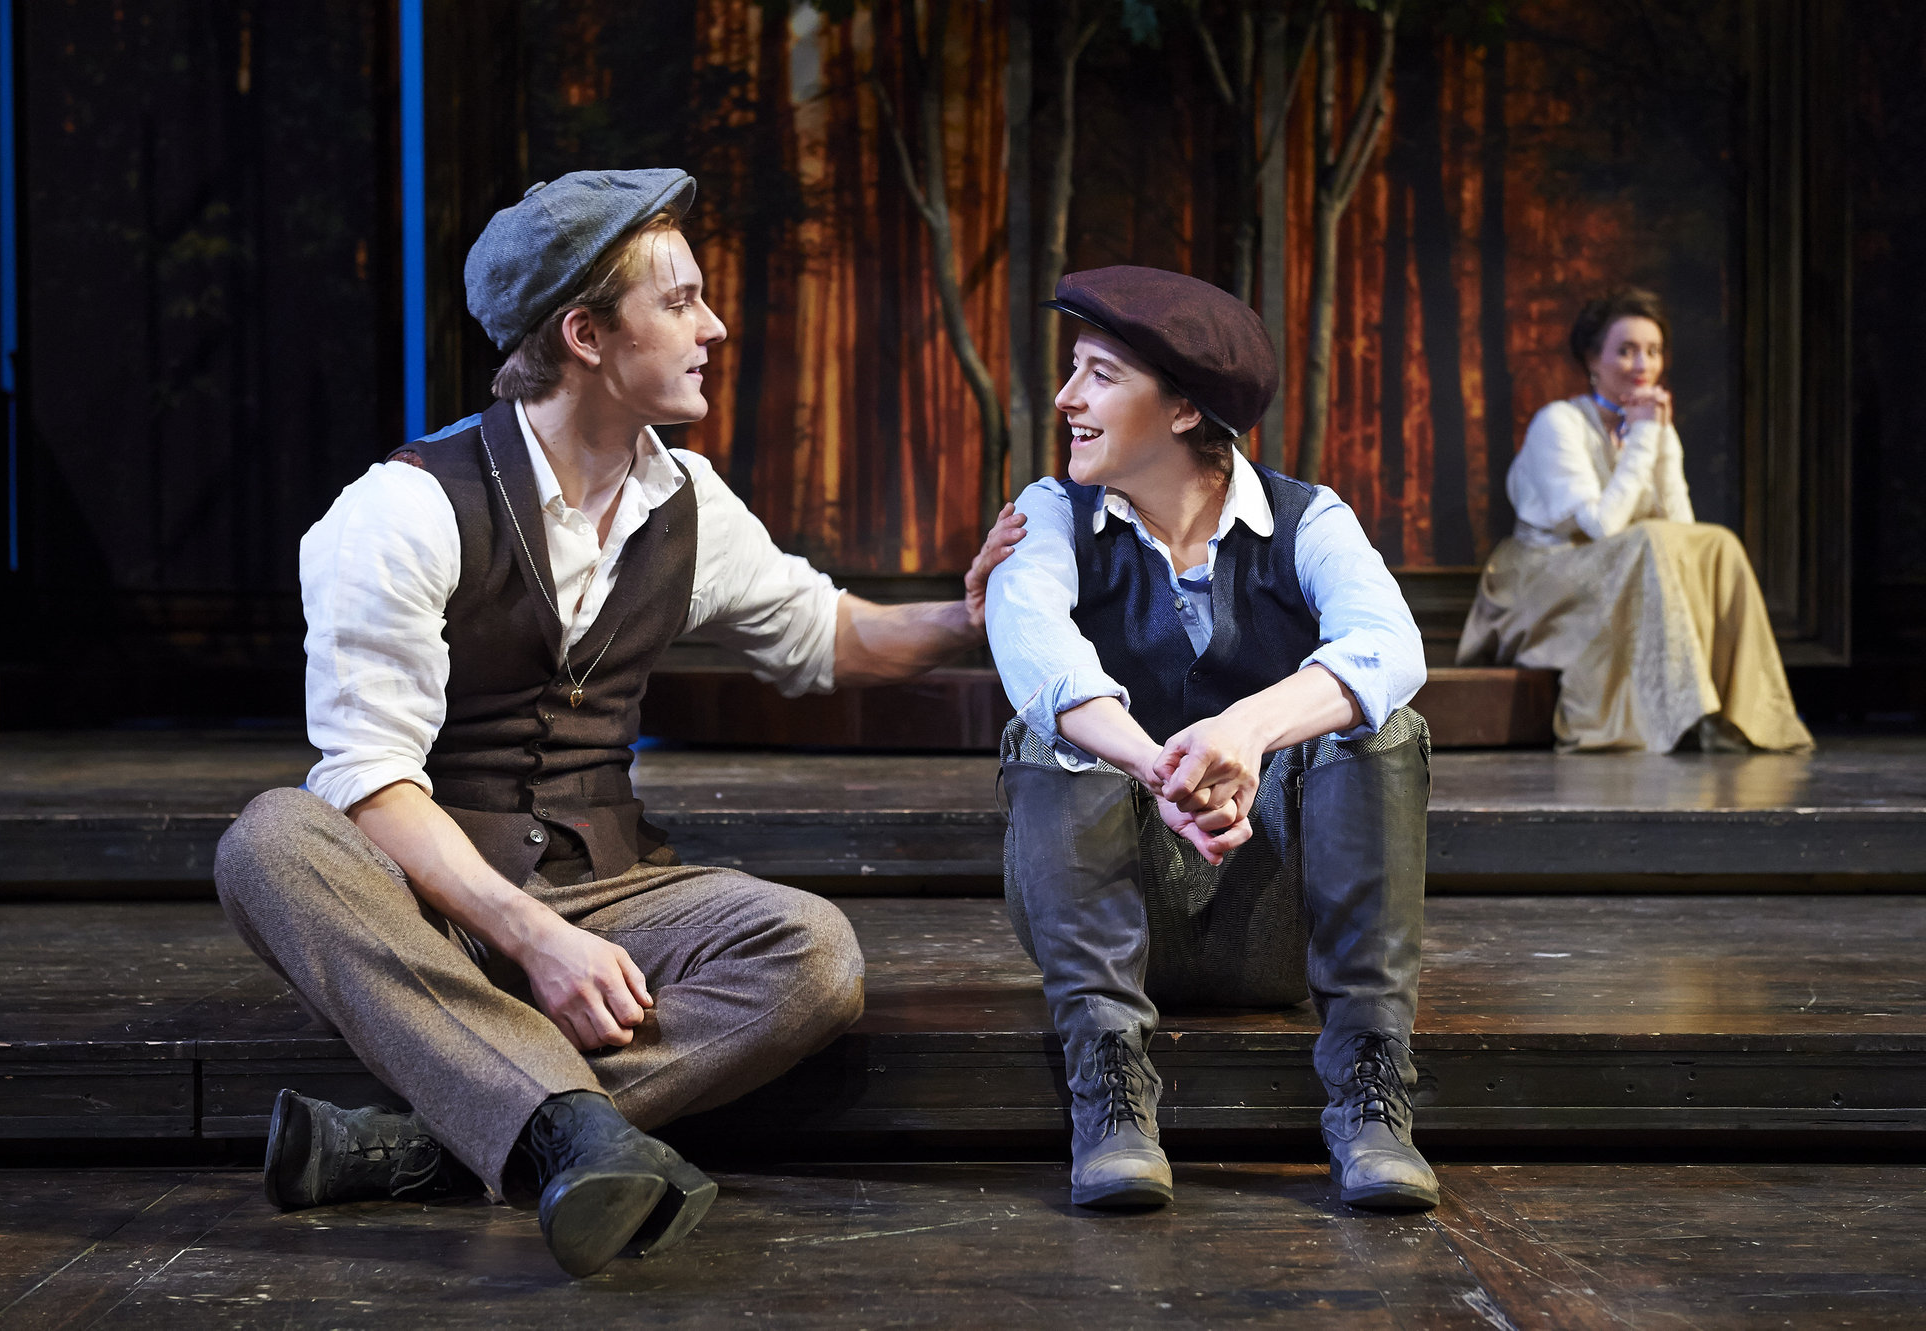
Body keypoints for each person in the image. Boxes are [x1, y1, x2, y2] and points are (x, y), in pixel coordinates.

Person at [213, 169, 1024, 1278]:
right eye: (680, 301)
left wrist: (968, 615)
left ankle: (462, 1138)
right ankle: (556, 1125)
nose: (713, 326)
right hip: (432, 906)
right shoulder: (402, 509)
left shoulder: (685, 500)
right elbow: (370, 777)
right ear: (586, 335)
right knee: (274, 838)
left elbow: (828, 635)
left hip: (610, 889)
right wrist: (534, 938)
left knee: (812, 952)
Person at [985, 266, 1437, 1214]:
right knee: (1053, 729)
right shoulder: (1052, 513)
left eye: (1101, 374)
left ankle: (1370, 1086)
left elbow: (1391, 645)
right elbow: (1037, 654)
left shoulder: (1309, 519)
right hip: (1108, 913)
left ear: (1186, 409)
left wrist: (1244, 730)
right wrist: (1160, 769)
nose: (1067, 397)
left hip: (1275, 919)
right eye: (1074, 370)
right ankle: (1109, 1079)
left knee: (1381, 725)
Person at [1457, 287, 1814, 753]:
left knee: (1718, 543)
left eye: (1653, 351)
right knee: (1647, 540)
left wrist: (1661, 444)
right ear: (1593, 359)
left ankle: (1740, 716)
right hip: (1544, 577)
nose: (1642, 364)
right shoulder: (1559, 423)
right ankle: (1674, 715)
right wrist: (1645, 437)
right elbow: (1601, 528)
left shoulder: (1649, 425)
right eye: (1626, 351)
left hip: (1628, 566)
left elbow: (1683, 535)